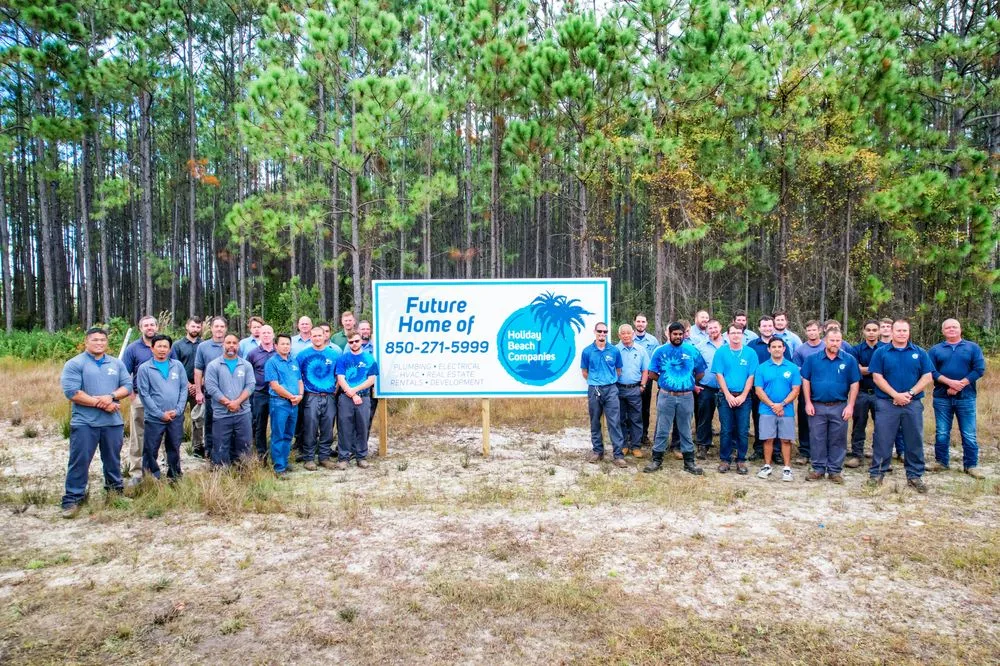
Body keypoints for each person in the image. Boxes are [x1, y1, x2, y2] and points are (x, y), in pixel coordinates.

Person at [59, 328, 133, 519]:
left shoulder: (116, 364)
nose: (99, 343)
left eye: (102, 340)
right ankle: (73, 499)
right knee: (79, 461)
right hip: (85, 423)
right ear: (86, 342)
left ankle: (115, 492)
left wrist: (111, 396)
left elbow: (127, 386)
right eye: (95, 340)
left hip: (112, 423)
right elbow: (72, 392)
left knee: (113, 460)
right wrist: (102, 404)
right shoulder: (75, 364)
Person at [867, 319, 934, 492]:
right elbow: (877, 377)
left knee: (914, 440)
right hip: (887, 403)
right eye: (898, 330)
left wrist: (909, 394)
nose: (902, 333)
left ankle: (914, 476)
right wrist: (895, 395)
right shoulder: (881, 353)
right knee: (883, 439)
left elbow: (927, 377)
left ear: (909, 332)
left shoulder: (919, 353)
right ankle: (877, 474)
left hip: (912, 404)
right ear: (891, 332)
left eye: (905, 330)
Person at [643, 322, 706, 475]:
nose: (678, 337)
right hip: (666, 396)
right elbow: (652, 373)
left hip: (686, 397)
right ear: (669, 334)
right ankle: (657, 459)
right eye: (675, 334)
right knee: (662, 429)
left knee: (685, 429)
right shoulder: (660, 351)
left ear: (684, 334)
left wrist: (688, 383)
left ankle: (689, 462)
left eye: (680, 334)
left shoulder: (692, 351)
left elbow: (700, 372)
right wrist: (665, 382)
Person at [928, 318, 986, 478]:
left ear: (960, 329)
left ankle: (971, 465)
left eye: (954, 327)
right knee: (942, 431)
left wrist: (961, 384)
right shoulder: (935, 350)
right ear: (943, 331)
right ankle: (941, 462)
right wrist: (949, 383)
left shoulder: (972, 348)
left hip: (966, 397)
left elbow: (979, 369)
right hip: (942, 397)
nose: (951, 329)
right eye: (948, 327)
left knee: (968, 433)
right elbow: (931, 371)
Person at [801, 328, 860, 483]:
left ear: (841, 341)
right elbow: (805, 381)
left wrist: (850, 406)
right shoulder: (812, 359)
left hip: (840, 405)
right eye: (832, 340)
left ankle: (835, 471)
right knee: (817, 438)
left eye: (838, 340)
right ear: (825, 341)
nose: (835, 343)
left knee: (838, 439)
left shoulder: (849, 360)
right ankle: (818, 469)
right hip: (817, 405)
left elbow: (854, 384)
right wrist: (808, 402)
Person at [136, 334, 188, 481]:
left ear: (170, 349)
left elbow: (183, 388)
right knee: (151, 449)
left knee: (174, 447)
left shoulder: (177, 366)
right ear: (152, 348)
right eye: (159, 346)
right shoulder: (145, 368)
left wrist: (178, 410)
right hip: (155, 417)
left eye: (165, 346)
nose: (162, 349)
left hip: (175, 416)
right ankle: (151, 477)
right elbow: (144, 394)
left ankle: (174, 476)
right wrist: (159, 414)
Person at [712, 324, 759, 474]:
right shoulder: (721, 352)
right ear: (728, 335)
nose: (736, 335)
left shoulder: (750, 353)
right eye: (733, 333)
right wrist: (727, 395)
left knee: (742, 430)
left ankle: (741, 460)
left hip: (744, 397)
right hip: (725, 396)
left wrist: (744, 395)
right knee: (726, 429)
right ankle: (725, 459)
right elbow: (719, 374)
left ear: (743, 335)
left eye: (739, 332)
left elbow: (751, 376)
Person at [203, 333, 255, 467]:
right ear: (223, 345)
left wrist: (237, 402)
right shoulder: (213, 366)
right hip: (221, 414)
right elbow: (211, 388)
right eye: (228, 343)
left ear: (238, 346)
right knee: (221, 446)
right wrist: (228, 403)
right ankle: (222, 476)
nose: (231, 346)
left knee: (244, 445)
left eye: (234, 343)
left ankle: (245, 474)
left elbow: (250, 386)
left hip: (242, 413)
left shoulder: (246, 365)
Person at [753, 338, 801, 482]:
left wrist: (782, 404)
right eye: (773, 347)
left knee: (786, 440)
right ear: (769, 349)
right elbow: (758, 390)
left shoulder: (792, 367)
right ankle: (767, 466)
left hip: (786, 410)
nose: (777, 349)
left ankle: (787, 469)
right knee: (768, 439)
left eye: (779, 346)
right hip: (767, 410)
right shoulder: (761, 368)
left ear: (784, 349)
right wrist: (773, 405)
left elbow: (796, 389)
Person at [121, 314, 160, 485]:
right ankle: (136, 472)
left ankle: (156, 468)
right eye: (146, 325)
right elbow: (124, 372)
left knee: (160, 434)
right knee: (138, 435)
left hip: (161, 398)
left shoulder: (164, 345)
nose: (150, 328)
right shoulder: (133, 349)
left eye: (152, 325)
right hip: (139, 398)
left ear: (157, 327)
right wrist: (131, 394)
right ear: (141, 328)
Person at [297, 325, 342, 470]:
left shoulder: (334, 355)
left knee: (327, 427)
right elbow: (297, 376)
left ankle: (324, 457)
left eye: (319, 335)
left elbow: (339, 376)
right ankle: (309, 458)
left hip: (329, 396)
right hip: (311, 396)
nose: (317, 338)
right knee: (310, 427)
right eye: (314, 336)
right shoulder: (303, 355)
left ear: (325, 337)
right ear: (310, 337)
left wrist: (334, 391)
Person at [580, 322, 625, 466]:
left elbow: (618, 370)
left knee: (614, 422)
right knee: (595, 421)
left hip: (611, 389)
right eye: (599, 331)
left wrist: (608, 381)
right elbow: (585, 372)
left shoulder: (614, 351)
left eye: (605, 332)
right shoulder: (587, 351)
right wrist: (595, 381)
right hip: (594, 389)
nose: (602, 334)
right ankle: (597, 451)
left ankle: (618, 455)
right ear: (595, 332)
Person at [748, 316, 791, 461]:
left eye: (769, 326)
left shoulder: (781, 344)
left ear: (773, 327)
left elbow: (789, 367)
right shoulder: (752, 345)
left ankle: (777, 452)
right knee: (759, 419)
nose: (767, 328)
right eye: (764, 326)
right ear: (759, 328)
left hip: (779, 391)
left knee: (779, 419)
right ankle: (759, 448)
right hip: (758, 391)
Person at [335, 332, 379, 469]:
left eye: (356, 341)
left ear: (361, 341)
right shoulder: (343, 359)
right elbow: (340, 378)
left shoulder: (369, 359)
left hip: (364, 398)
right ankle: (343, 457)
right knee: (344, 428)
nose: (354, 344)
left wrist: (356, 391)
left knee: (363, 427)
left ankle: (361, 457)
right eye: (351, 342)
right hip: (346, 398)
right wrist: (352, 393)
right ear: (348, 343)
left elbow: (371, 380)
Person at [265, 334, 303, 477]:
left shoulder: (294, 361)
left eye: (288, 344)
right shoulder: (272, 362)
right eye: (282, 344)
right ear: (276, 346)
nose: (286, 346)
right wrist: (291, 397)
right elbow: (274, 385)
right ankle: (279, 467)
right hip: (279, 403)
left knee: (288, 434)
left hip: (294, 403)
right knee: (278, 434)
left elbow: (299, 381)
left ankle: (285, 462)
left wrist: (300, 395)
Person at [847, 320, 882, 467]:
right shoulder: (856, 350)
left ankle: (880, 456)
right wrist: (878, 369)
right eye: (869, 330)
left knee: (881, 426)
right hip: (861, 392)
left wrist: (866, 369)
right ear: (864, 331)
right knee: (858, 425)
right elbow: (856, 370)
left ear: (879, 331)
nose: (872, 332)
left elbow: (887, 370)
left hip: (881, 394)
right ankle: (857, 455)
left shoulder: (886, 349)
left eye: (874, 330)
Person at [791, 320, 826, 465]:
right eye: (809, 330)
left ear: (820, 330)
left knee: (822, 422)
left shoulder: (826, 346)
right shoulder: (801, 350)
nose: (812, 333)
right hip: (805, 391)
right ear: (806, 332)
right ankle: (805, 451)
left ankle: (821, 452)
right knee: (805, 421)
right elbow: (797, 370)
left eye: (814, 330)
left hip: (824, 392)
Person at [171, 316, 205, 458]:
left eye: (198, 327)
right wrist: (187, 385)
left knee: (198, 417)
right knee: (177, 417)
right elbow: (174, 366)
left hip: (200, 386)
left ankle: (197, 447)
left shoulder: (203, 345)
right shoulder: (177, 345)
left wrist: (198, 384)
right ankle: (174, 447)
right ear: (187, 326)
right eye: (193, 326)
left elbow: (207, 366)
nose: (195, 329)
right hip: (180, 386)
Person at [194, 316, 228, 458]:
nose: (219, 329)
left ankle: (226, 451)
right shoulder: (203, 346)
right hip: (210, 393)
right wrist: (198, 391)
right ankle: (209, 451)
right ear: (211, 328)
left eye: (222, 326)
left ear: (226, 329)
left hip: (230, 393)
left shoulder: (231, 344)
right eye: (216, 326)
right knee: (210, 423)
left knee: (227, 424)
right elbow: (198, 370)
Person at [614, 324, 650, 458]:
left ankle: (636, 446)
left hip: (635, 389)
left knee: (636, 418)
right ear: (619, 335)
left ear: (633, 334)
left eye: (628, 333)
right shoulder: (615, 350)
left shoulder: (640, 350)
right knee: (621, 419)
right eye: (623, 333)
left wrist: (643, 385)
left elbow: (645, 370)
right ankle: (623, 445)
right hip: (619, 389)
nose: (626, 335)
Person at [693, 319, 725, 460]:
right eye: (710, 328)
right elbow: (693, 367)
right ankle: (702, 445)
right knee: (704, 418)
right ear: (707, 330)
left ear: (720, 328)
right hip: (707, 387)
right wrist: (694, 383)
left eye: (715, 327)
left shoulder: (730, 345)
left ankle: (728, 447)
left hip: (726, 390)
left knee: (727, 419)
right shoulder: (700, 347)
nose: (713, 330)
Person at [246, 325, 277, 460]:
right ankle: (261, 455)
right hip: (260, 394)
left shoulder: (279, 351)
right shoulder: (253, 354)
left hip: (277, 395)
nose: (266, 335)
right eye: (263, 332)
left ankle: (277, 455)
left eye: (269, 332)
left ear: (273, 335)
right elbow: (248, 373)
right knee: (259, 426)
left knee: (277, 425)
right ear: (260, 335)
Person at [633, 314, 659, 449]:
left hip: (647, 378)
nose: (640, 324)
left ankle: (643, 435)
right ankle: (631, 436)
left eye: (643, 321)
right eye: (638, 321)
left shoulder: (653, 340)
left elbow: (656, 360)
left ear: (646, 323)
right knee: (630, 408)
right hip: (631, 377)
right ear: (634, 323)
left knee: (645, 408)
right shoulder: (628, 338)